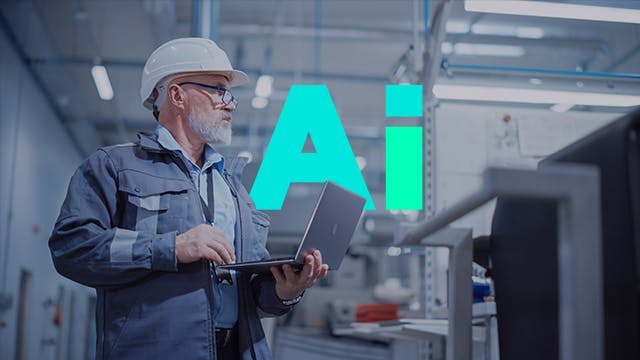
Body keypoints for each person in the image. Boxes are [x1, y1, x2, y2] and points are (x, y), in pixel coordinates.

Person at [49, 37, 328, 359]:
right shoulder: (115, 166)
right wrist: (172, 247)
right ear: (177, 95)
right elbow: (72, 249)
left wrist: (286, 290)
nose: (230, 103)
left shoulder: (234, 189)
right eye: (218, 90)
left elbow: (252, 291)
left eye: (230, 94)